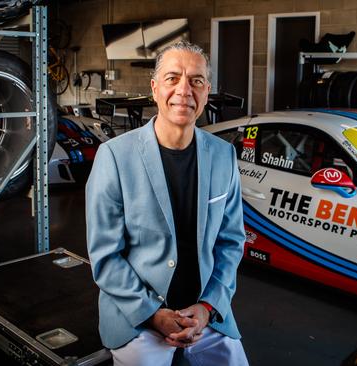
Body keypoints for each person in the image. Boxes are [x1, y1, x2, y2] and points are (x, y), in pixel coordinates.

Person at [86, 41, 248, 366]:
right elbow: (106, 256)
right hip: (139, 315)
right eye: (173, 78)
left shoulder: (223, 155)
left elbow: (231, 243)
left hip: (203, 313)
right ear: (155, 87)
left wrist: (208, 308)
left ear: (207, 91)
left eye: (196, 80)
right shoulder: (115, 157)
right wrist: (153, 314)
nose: (184, 90)